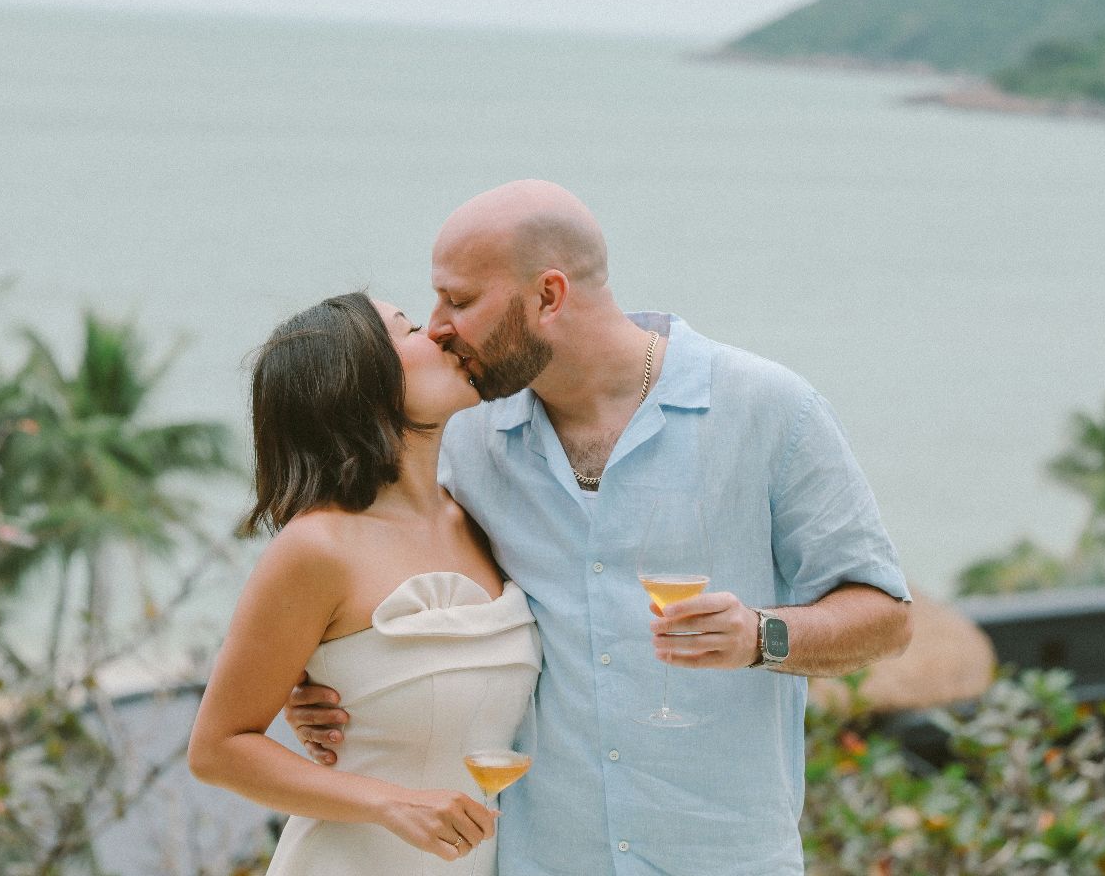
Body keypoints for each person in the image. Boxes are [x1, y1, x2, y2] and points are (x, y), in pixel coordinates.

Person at [286, 181, 912, 875]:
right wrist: (327, 681)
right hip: (541, 860)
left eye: (460, 301)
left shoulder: (770, 409)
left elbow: (886, 616)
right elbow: (376, 567)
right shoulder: (466, 440)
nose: (437, 326)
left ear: (549, 297)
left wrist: (761, 636)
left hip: (724, 857)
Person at [188, 292, 541, 874]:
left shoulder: (481, 513)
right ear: (358, 382)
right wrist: (390, 802)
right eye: (408, 331)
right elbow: (218, 749)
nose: (439, 334)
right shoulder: (317, 547)